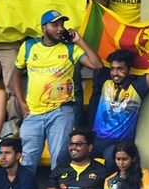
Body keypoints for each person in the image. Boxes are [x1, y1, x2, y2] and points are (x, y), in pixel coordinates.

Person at [14, 11, 103, 170]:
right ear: (43, 28)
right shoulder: (28, 46)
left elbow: (97, 65)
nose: (60, 28)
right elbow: (16, 73)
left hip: (61, 111)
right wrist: (21, 102)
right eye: (55, 25)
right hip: (33, 113)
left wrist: (79, 41)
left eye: (62, 24)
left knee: (59, 161)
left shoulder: (70, 48)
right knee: (28, 162)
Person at [91, 50, 149, 163]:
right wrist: (78, 40)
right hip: (96, 140)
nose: (115, 73)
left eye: (120, 69)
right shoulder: (105, 81)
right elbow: (95, 61)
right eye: (112, 68)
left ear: (130, 70)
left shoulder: (137, 87)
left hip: (119, 144)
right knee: (67, 156)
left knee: (111, 162)